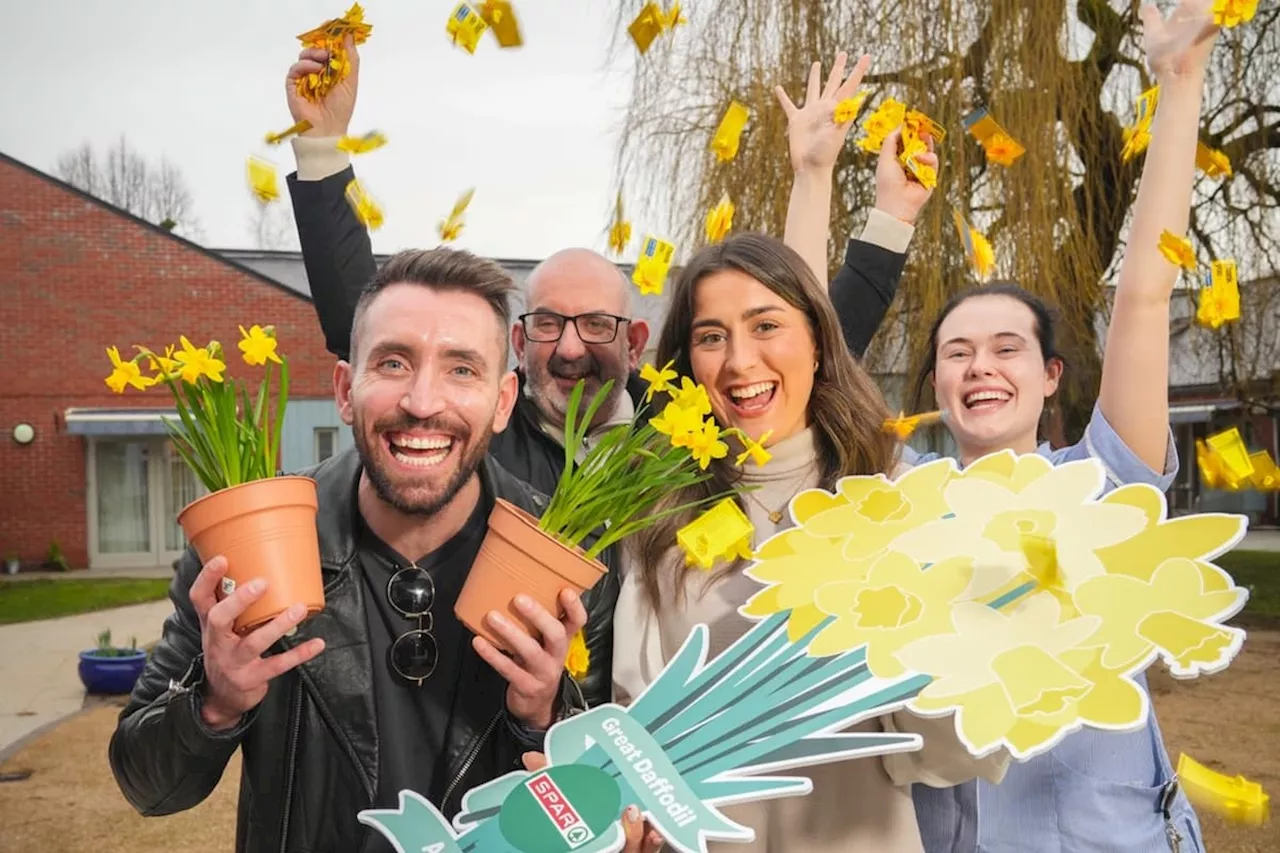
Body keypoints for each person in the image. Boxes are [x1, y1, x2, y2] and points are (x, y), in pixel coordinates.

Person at [280, 45, 922, 707]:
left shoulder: (681, 428)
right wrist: (321, 149)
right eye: (549, 325)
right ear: (519, 342)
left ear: (637, 342)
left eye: (594, 325)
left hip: (646, 736)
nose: (569, 350)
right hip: (499, 724)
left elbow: (806, 344)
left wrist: (843, 193)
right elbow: (369, 320)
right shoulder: (480, 440)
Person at [110, 249, 597, 853]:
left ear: (502, 403)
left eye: (461, 370)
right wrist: (214, 703)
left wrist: (544, 718)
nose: (423, 402)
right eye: (393, 363)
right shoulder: (243, 553)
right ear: (345, 390)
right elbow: (147, 785)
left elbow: (597, 812)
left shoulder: (567, 562)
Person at [887, 2, 1221, 850]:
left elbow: (1144, 295)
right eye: (958, 353)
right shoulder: (902, 513)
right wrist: (879, 215)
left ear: (1050, 376)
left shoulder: (1105, 483)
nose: (981, 367)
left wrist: (1177, 87)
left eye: (1007, 348)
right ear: (936, 382)